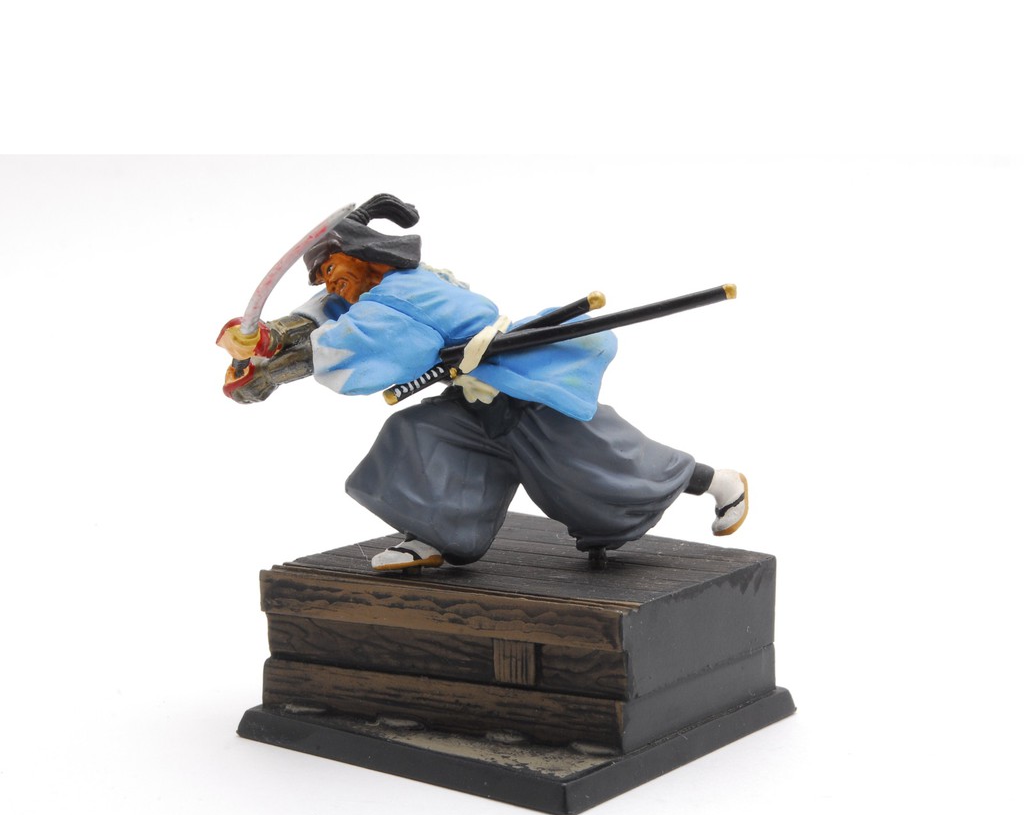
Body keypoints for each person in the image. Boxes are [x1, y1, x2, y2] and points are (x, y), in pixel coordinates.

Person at [237, 194, 749, 571]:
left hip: (518, 390)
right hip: (471, 399)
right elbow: (331, 314)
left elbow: (366, 341)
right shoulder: (374, 294)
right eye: (322, 277)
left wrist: (274, 368)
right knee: (420, 434)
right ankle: (436, 538)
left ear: (364, 253)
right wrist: (270, 340)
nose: (331, 284)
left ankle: (717, 481)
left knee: (610, 463)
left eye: (332, 268)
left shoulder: (407, 291)